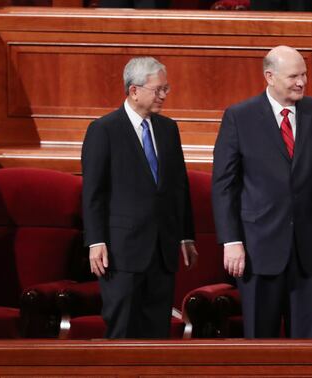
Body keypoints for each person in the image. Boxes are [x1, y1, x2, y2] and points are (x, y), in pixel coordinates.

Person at [212, 45, 312, 338]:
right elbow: (224, 184)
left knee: (307, 343)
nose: (301, 82)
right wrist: (231, 241)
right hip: (258, 248)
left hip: (310, 248)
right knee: (259, 341)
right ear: (270, 76)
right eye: (293, 76)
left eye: (304, 74)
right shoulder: (240, 116)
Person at [81, 56, 197, 339]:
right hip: (122, 253)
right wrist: (96, 241)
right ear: (134, 91)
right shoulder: (104, 130)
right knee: (122, 330)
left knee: (157, 333)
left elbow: (179, 187)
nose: (163, 96)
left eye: (165, 89)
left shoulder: (168, 129)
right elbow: (93, 192)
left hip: (162, 251)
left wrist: (185, 235)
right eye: (158, 89)